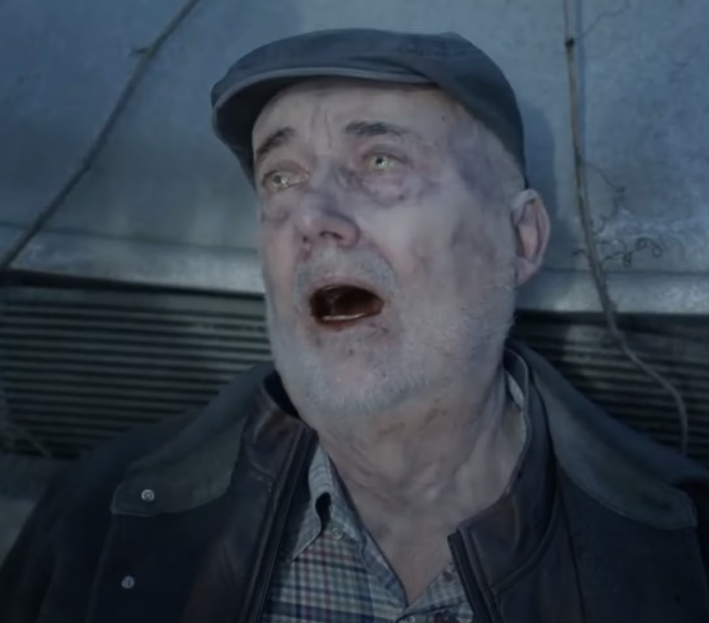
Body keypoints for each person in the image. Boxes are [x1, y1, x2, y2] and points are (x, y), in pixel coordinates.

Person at [1, 28, 709, 623]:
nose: (311, 217)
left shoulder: (683, 555)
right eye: (281, 177)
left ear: (520, 238)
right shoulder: (95, 520)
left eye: (379, 161)